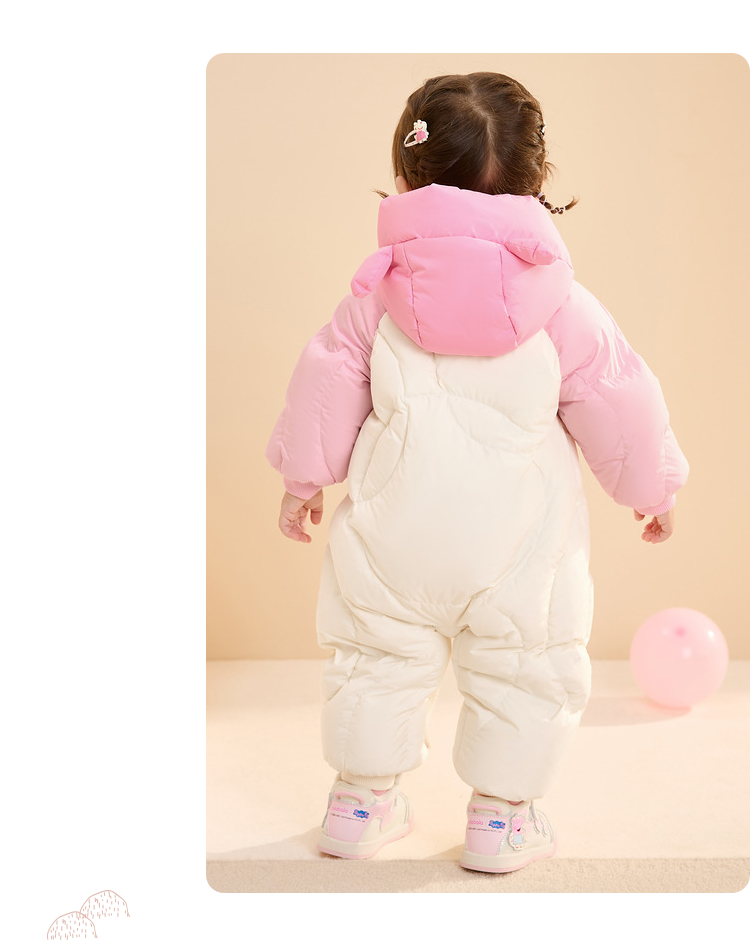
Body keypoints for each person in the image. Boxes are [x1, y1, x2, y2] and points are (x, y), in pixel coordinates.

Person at [265, 72, 689, 873]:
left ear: (405, 179)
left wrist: (302, 480)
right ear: (536, 182)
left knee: (376, 659)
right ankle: (501, 818)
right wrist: (651, 487)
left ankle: (359, 806)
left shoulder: (374, 298)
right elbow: (620, 397)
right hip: (522, 546)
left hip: (392, 538)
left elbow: (323, 384)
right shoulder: (564, 305)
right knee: (527, 665)